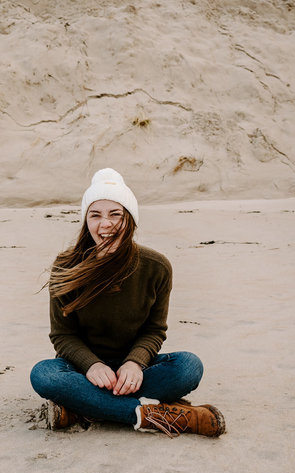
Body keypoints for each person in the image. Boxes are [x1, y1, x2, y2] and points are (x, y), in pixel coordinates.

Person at [30, 168, 225, 438]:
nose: (105, 224)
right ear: (85, 221)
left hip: (135, 372)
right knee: (45, 375)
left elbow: (154, 330)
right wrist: (92, 365)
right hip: (82, 371)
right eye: (95, 215)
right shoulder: (66, 266)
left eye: (115, 214)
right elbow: (63, 335)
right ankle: (154, 415)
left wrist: (134, 363)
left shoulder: (156, 267)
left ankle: (80, 408)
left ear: (130, 219)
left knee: (189, 366)